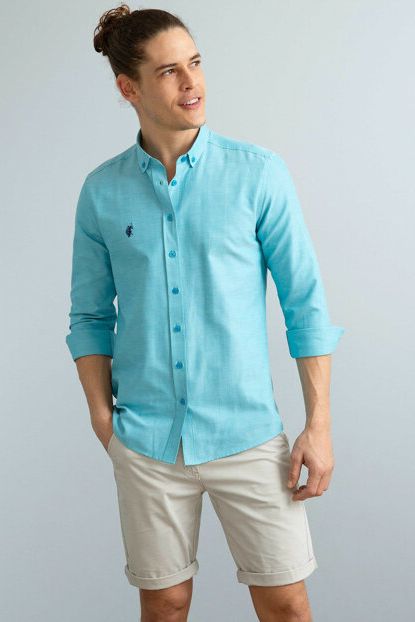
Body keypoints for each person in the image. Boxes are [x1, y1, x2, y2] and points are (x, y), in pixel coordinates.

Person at [65, 5, 345, 621]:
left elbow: (305, 304)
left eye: (195, 63)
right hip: (146, 440)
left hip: (247, 434)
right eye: (169, 71)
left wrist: (318, 424)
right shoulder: (102, 191)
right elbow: (89, 317)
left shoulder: (258, 175)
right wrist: (103, 419)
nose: (192, 82)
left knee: (287, 607)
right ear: (129, 88)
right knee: (165, 606)